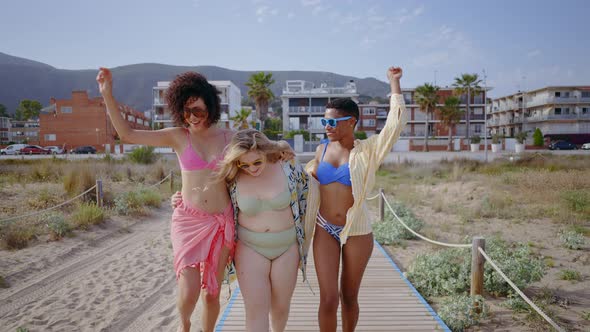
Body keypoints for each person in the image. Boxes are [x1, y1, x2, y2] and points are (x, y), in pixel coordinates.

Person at [97, 68, 234, 332]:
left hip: (221, 222)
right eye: (186, 111)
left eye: (198, 111)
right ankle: (184, 324)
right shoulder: (178, 136)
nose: (191, 118)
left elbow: (261, 152)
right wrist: (107, 95)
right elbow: (127, 135)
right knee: (190, 290)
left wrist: (282, 151)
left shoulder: (229, 137)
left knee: (212, 293)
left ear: (211, 106)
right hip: (188, 221)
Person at [173, 129, 308, 332]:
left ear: (265, 152)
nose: (251, 169)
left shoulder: (287, 167)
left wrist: (283, 145)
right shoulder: (232, 177)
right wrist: (179, 198)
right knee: (255, 311)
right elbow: (205, 195)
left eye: (257, 162)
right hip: (250, 248)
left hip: (286, 248)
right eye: (244, 164)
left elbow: (310, 193)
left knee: (280, 308)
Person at [304, 66, 407, 332]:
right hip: (324, 228)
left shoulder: (369, 150)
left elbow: (395, 125)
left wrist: (394, 84)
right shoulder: (321, 149)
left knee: (349, 296)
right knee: (328, 299)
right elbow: (303, 179)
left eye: (332, 122)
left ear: (351, 122)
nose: (326, 127)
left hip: (357, 231)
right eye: (324, 122)